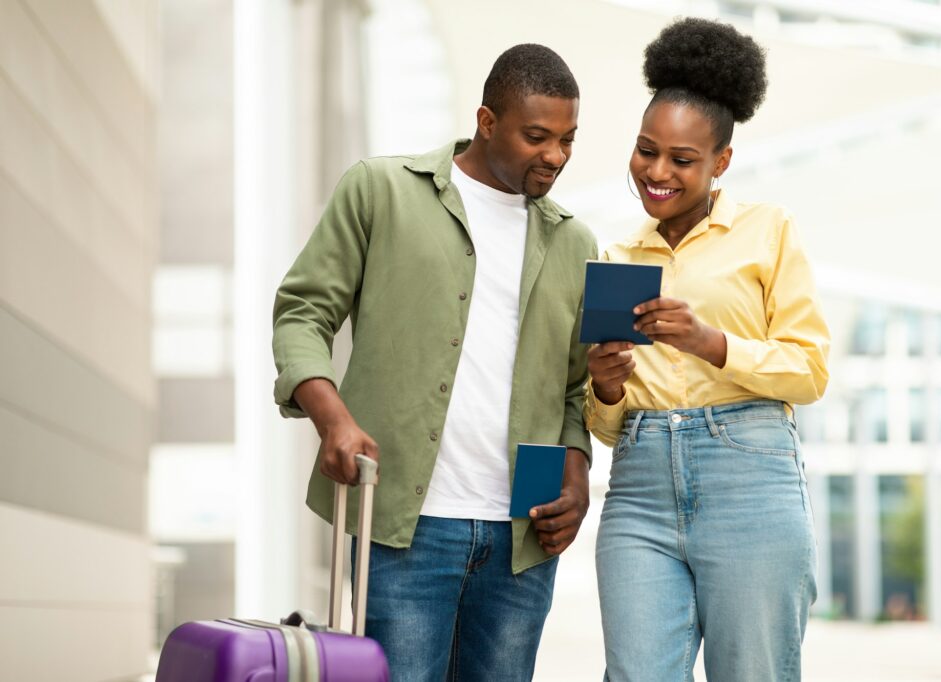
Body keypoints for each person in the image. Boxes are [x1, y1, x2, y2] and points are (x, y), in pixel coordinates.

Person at [272, 44, 596, 681]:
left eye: (567, 139)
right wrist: (331, 417)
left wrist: (577, 475)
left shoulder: (575, 241)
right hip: (404, 527)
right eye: (537, 136)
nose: (554, 157)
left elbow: (573, 390)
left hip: (521, 537)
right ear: (485, 120)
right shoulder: (381, 190)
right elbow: (302, 314)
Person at [586, 18, 830, 682]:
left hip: (748, 475)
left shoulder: (768, 231)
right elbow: (607, 423)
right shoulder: (616, 257)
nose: (656, 172)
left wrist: (710, 343)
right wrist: (606, 388)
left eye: (682, 159)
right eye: (645, 150)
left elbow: (810, 369)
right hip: (638, 485)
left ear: (721, 162)